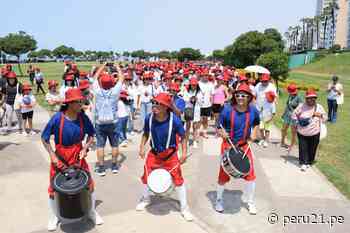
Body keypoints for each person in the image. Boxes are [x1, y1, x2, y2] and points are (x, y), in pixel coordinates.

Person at [41, 88, 103, 231]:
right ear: (69, 103)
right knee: (54, 188)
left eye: (82, 101)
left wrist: (85, 148)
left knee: (89, 184)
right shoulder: (57, 118)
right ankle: (54, 216)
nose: (82, 104)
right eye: (79, 102)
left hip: (77, 156)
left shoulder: (83, 118)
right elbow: (44, 138)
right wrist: (52, 155)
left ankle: (92, 212)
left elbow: (92, 134)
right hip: (60, 157)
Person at [136, 93, 194, 221]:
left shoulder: (175, 120)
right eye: (154, 103)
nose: (154, 105)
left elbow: (183, 137)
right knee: (146, 176)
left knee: (178, 180)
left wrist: (184, 153)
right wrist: (141, 147)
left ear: (166, 107)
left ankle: (184, 208)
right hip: (154, 153)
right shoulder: (149, 118)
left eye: (158, 103)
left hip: (170, 155)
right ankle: (146, 199)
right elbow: (145, 133)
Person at [216, 83, 260, 215]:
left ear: (249, 97)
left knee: (251, 176)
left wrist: (254, 132)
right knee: (223, 175)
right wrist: (220, 132)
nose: (240, 97)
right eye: (238, 95)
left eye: (244, 95)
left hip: (244, 146)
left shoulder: (253, 110)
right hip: (228, 146)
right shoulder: (227, 109)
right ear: (235, 96)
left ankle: (250, 202)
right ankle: (218, 200)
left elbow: (257, 123)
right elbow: (219, 125)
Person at [92, 64, 124, 176]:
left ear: (101, 82)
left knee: (100, 146)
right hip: (113, 122)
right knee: (114, 145)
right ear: (111, 83)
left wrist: (103, 66)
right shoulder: (115, 92)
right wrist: (117, 67)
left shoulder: (97, 91)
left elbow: (95, 77)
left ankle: (101, 168)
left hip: (100, 122)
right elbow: (121, 78)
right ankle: (114, 165)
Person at [292, 89, 326, 171]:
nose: (311, 100)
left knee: (312, 149)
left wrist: (320, 115)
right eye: (309, 98)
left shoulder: (319, 107)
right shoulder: (301, 106)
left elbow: (325, 118)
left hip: (315, 133)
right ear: (306, 98)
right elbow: (294, 115)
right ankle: (303, 162)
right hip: (302, 133)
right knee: (303, 148)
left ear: (315, 98)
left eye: (313, 98)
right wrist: (297, 122)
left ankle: (309, 161)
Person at [281, 84, 303, 150]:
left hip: (294, 117)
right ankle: (282, 142)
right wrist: (284, 114)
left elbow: (301, 108)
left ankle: (291, 145)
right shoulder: (290, 95)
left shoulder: (299, 97)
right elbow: (287, 105)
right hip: (287, 115)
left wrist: (296, 114)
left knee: (293, 132)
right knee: (284, 129)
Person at [183, 77, 201, 149]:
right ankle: (186, 140)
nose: (193, 86)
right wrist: (190, 99)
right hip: (188, 110)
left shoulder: (199, 91)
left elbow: (201, 101)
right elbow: (184, 98)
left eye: (195, 85)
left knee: (195, 127)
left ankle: (194, 141)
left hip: (196, 110)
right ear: (190, 85)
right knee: (187, 126)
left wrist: (197, 99)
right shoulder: (186, 91)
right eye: (192, 85)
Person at [198, 72, 214, 138]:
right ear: (201, 76)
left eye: (206, 75)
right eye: (204, 75)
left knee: (205, 120)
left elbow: (212, 95)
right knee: (199, 119)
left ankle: (204, 132)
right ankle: (198, 132)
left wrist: (212, 104)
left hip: (208, 104)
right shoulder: (198, 83)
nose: (205, 77)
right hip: (199, 105)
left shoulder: (211, 84)